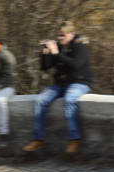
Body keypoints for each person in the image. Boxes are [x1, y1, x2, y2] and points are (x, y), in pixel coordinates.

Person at [23, 21, 92, 154]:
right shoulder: (58, 46)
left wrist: (56, 53)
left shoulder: (80, 44)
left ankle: (74, 139)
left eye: (62, 35)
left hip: (79, 82)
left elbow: (76, 65)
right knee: (40, 100)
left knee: (70, 99)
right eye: (58, 35)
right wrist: (45, 52)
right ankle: (38, 139)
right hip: (60, 84)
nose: (60, 38)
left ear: (71, 34)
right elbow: (45, 67)